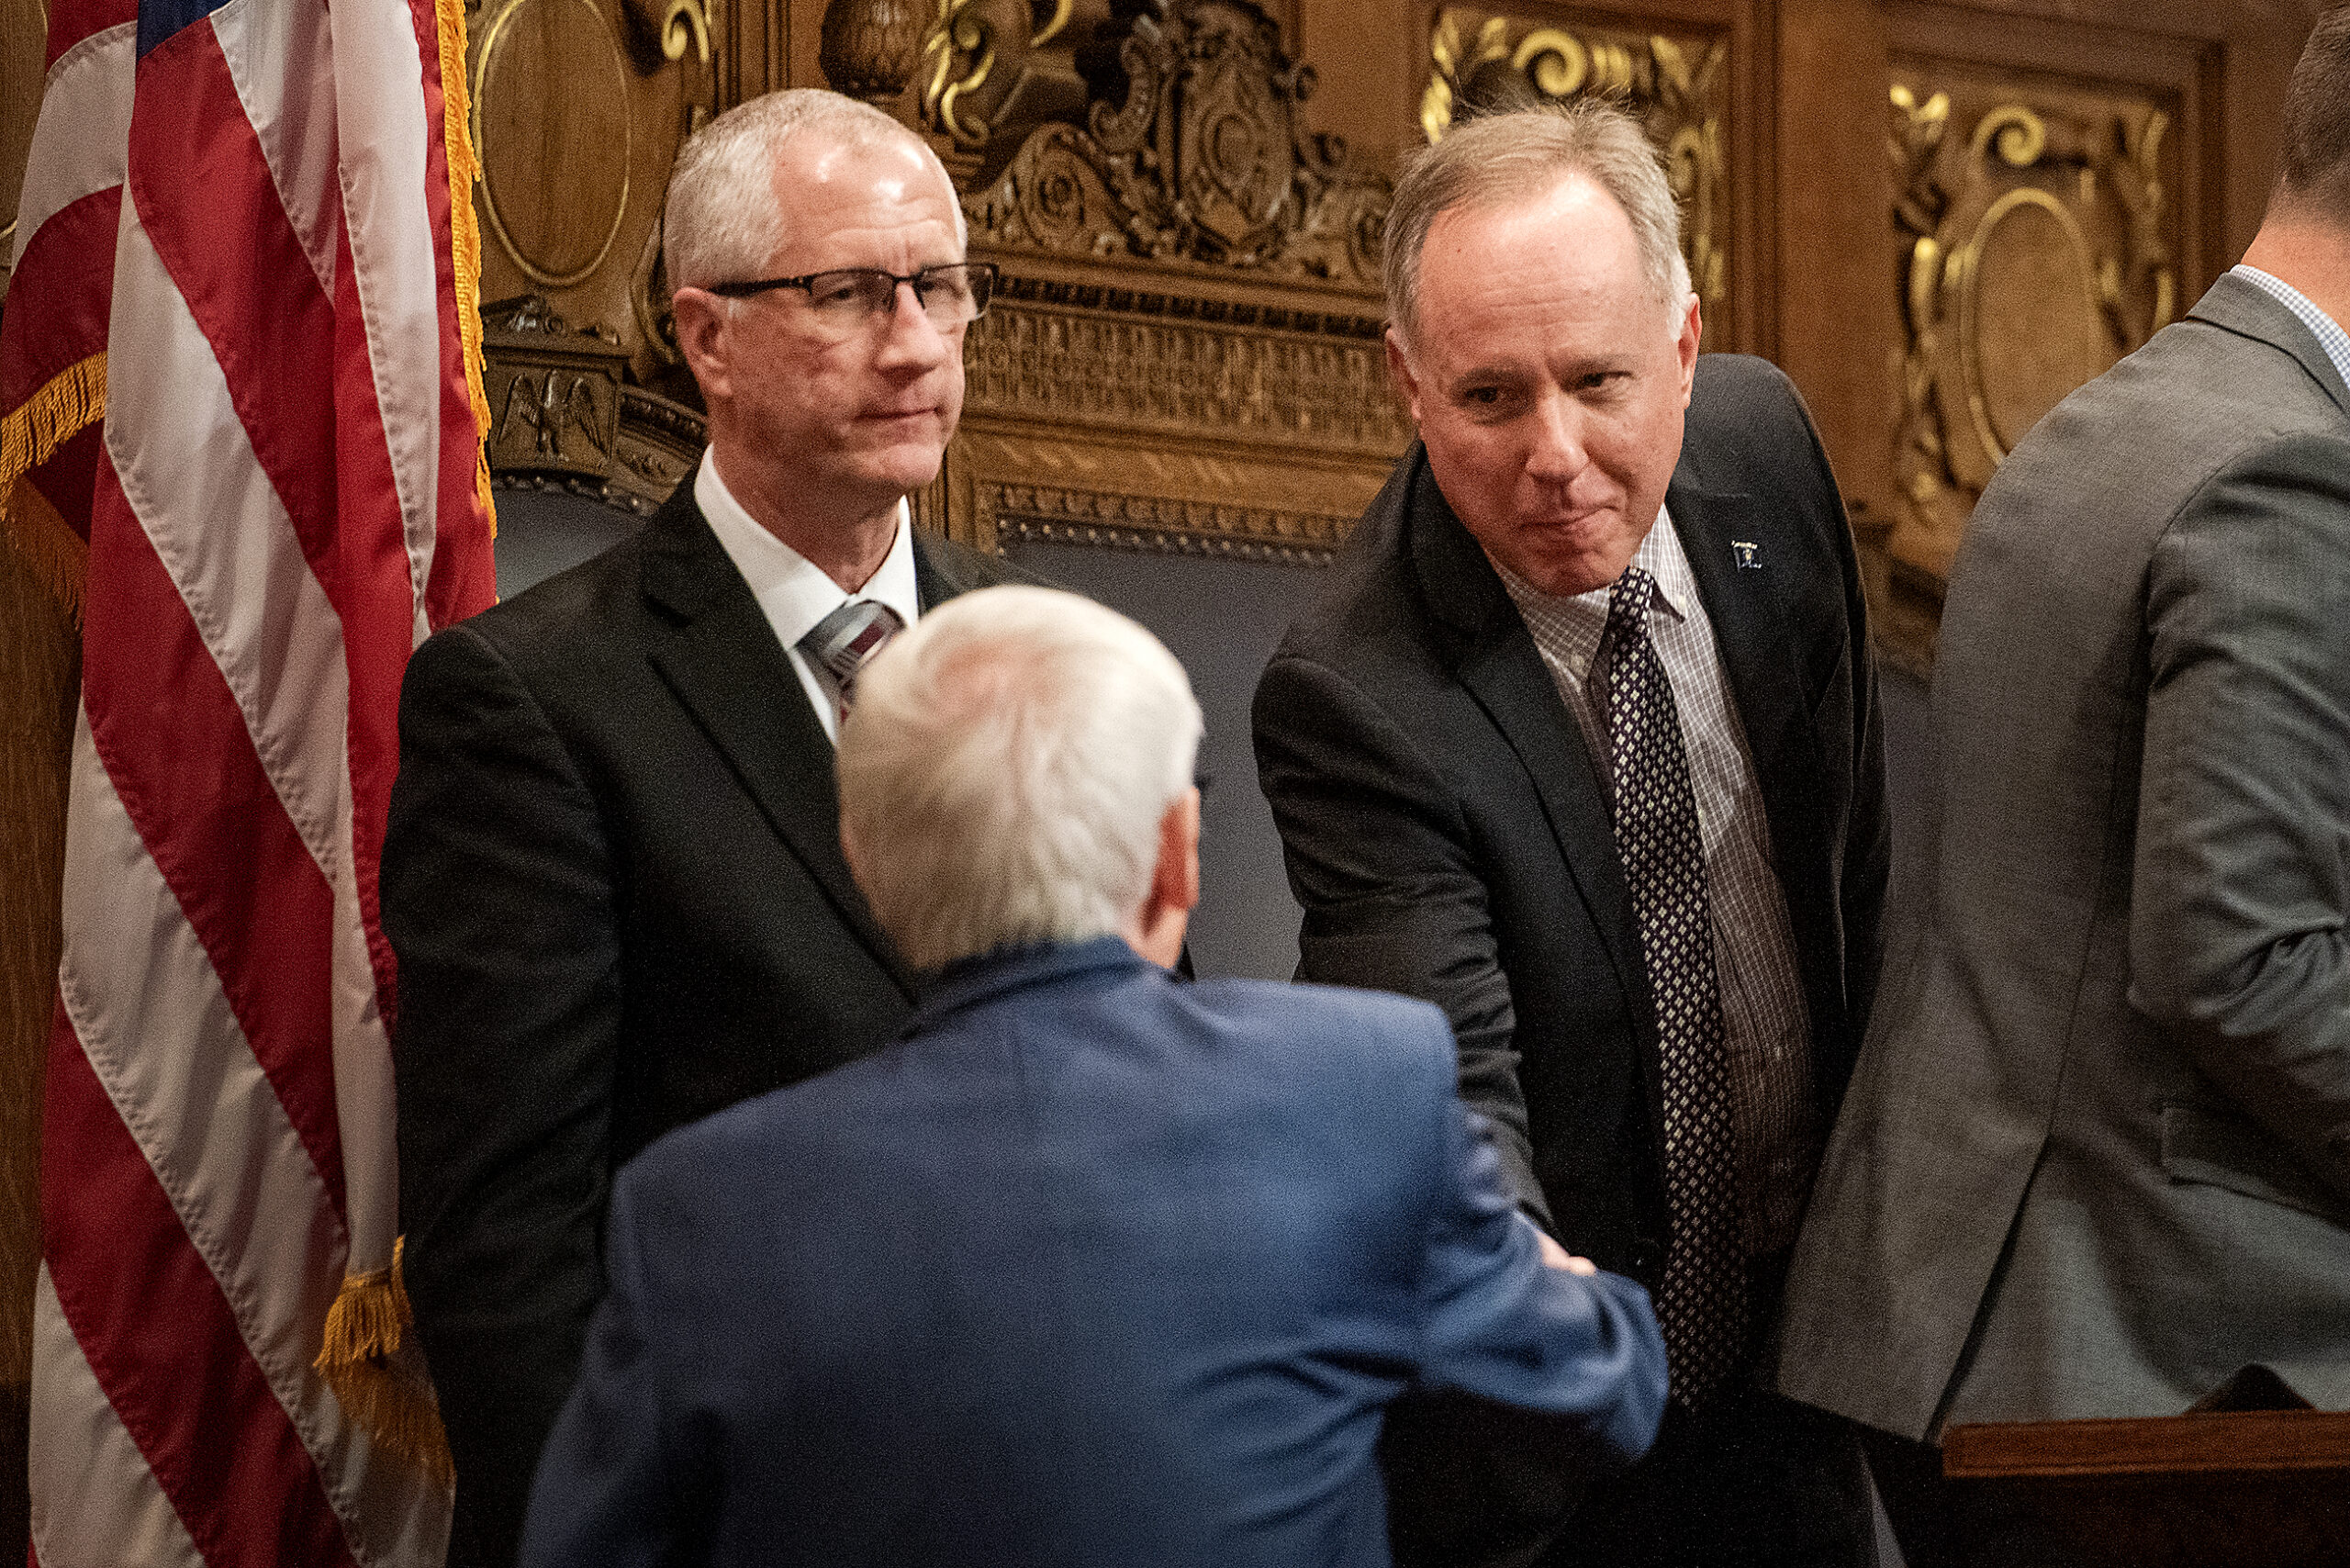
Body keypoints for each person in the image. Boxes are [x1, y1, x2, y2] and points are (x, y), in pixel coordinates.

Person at [511, 585, 1667, 1568]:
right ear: (1176, 853)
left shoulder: (695, 1214)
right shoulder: (1361, 1090)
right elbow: (1603, 1388)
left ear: (867, 861)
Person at [382, 89, 1026, 1567]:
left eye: (939, 287)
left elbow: (1134, 1081)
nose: (917, 342)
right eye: (850, 293)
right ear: (706, 335)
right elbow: (509, 1254)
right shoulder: (530, 704)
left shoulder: (1038, 646)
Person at [1252, 100, 1889, 1566]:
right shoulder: (1360, 693)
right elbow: (1446, 1097)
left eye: (1601, 381)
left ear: (1682, 349)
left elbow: (1855, 866)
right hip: (1542, 1445)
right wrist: (1563, 1325)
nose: (1557, 454)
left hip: (1807, 1371)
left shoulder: (1767, 458)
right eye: (1490, 398)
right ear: (1407, 385)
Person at [1775, 15, 2350, 1564]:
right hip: (2162, 1370)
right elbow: (2242, 960)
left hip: (1966, 1321)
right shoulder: (2291, 471)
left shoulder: (2114, 418)